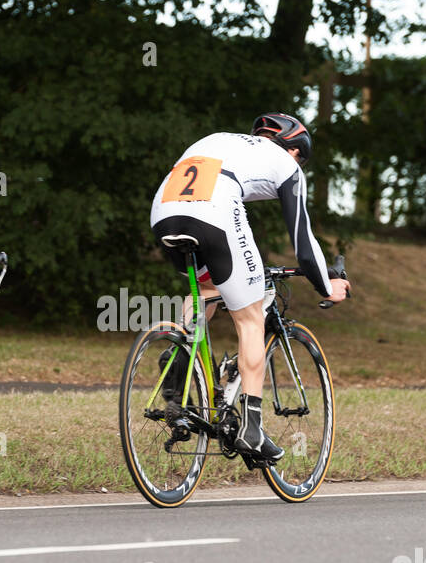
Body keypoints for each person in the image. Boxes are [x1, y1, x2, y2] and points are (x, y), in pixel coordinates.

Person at [149, 113, 350, 462]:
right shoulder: (287, 166)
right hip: (214, 210)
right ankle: (252, 430)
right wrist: (325, 286)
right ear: (295, 152)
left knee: (206, 290)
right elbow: (304, 241)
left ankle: (181, 370)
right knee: (251, 316)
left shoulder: (223, 141)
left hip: (164, 210)